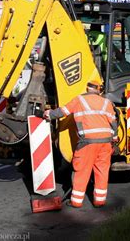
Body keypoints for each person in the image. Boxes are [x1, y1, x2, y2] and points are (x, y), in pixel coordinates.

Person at [43, 80, 117, 208]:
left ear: (87, 88)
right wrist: (114, 138)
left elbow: (62, 112)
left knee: (82, 170)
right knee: (102, 171)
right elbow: (114, 122)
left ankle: (76, 201)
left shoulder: (79, 100)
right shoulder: (106, 102)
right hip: (105, 142)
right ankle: (99, 200)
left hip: (87, 142)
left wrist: (49, 114)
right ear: (99, 90)